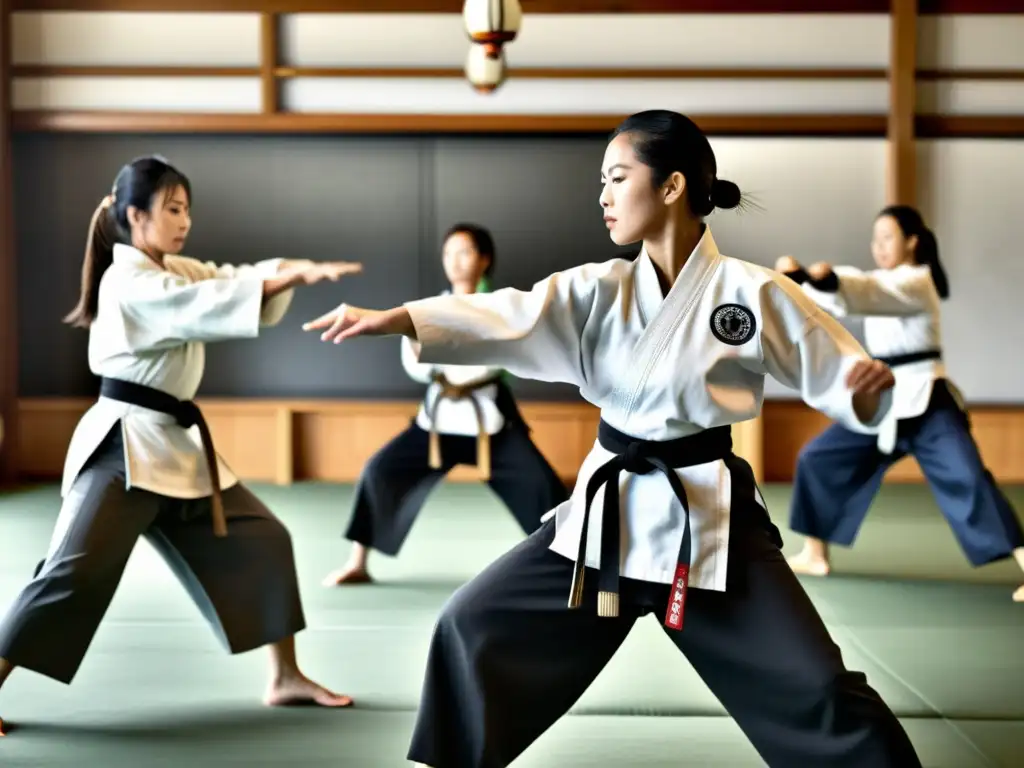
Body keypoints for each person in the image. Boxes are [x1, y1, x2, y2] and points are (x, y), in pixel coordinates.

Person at [303, 110, 922, 768]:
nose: (602, 195)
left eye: (618, 177)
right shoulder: (598, 288)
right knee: (470, 626)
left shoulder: (752, 291)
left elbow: (838, 372)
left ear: (672, 186)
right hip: (605, 520)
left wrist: (862, 388)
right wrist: (400, 320)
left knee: (819, 688)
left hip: (707, 523)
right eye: (601, 180)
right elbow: (506, 314)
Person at [0, 155, 361, 737]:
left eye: (187, 208)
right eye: (172, 209)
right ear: (135, 216)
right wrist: (288, 278)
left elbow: (227, 280)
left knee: (263, 539)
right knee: (73, 572)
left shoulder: (174, 267)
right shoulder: (131, 280)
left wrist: (287, 269)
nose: (184, 220)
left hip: (176, 447)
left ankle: (285, 676)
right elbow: (197, 307)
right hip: (124, 446)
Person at [776, 206, 1024, 602]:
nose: (879, 246)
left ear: (913, 241)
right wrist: (799, 279)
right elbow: (844, 298)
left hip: (928, 399)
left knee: (968, 477)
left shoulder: (917, 282)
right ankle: (815, 553)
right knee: (818, 458)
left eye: (888, 237)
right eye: (875, 239)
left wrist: (826, 277)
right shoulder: (877, 281)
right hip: (884, 399)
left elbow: (865, 294)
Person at [322, 223, 567, 586]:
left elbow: (502, 358)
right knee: (380, 471)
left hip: (490, 423)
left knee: (543, 487)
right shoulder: (427, 309)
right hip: (439, 422)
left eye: (465, 252)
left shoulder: (503, 306)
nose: (455, 260)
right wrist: (413, 333)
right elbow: (419, 370)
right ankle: (357, 561)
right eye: (449, 252)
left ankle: (569, 566)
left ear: (484, 260)